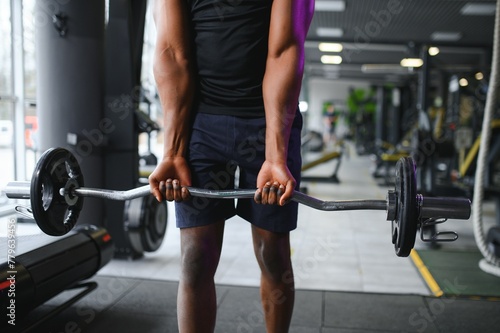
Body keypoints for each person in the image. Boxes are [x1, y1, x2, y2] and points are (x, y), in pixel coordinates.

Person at [148, 0, 314, 332]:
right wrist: (173, 153)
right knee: (195, 258)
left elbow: (283, 51)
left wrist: (275, 156)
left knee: (273, 254)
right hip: (201, 122)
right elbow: (171, 52)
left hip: (269, 120)